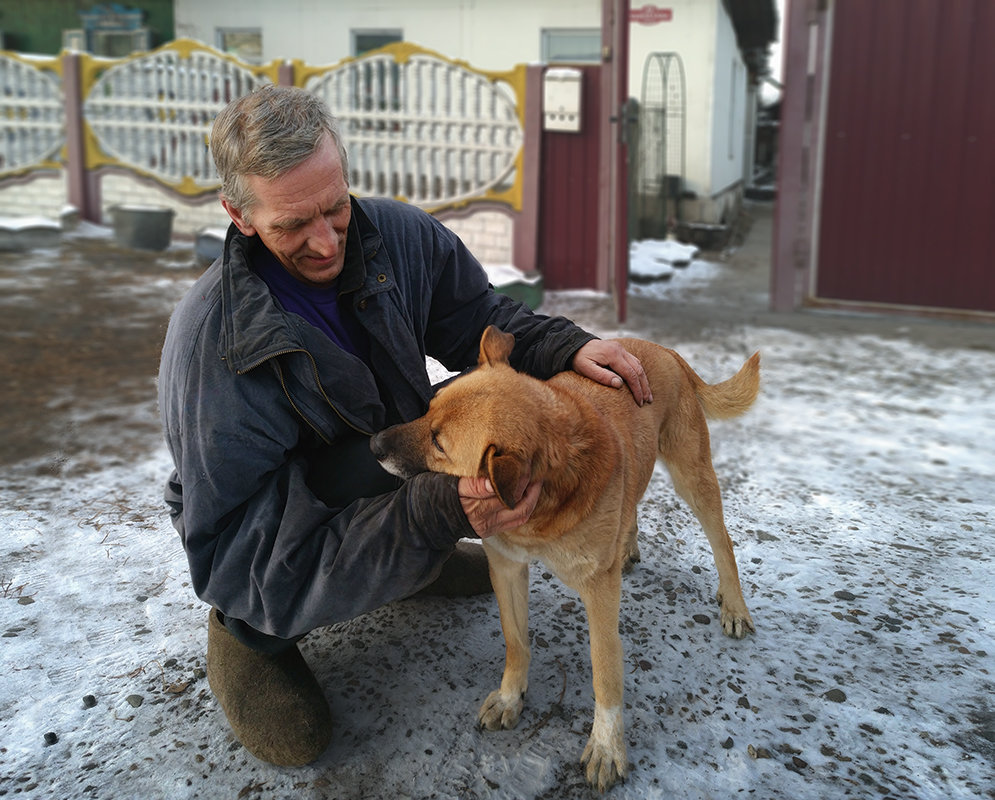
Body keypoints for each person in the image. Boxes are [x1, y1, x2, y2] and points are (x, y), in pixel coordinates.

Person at [158, 84, 651, 767]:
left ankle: (408, 563)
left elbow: (478, 319)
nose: (327, 240)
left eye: (335, 206)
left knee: (464, 407)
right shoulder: (211, 347)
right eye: (294, 224)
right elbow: (237, 545)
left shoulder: (394, 235)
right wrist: (434, 510)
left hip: (383, 453)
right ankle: (246, 636)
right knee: (296, 741)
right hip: (267, 547)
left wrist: (566, 347)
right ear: (239, 215)